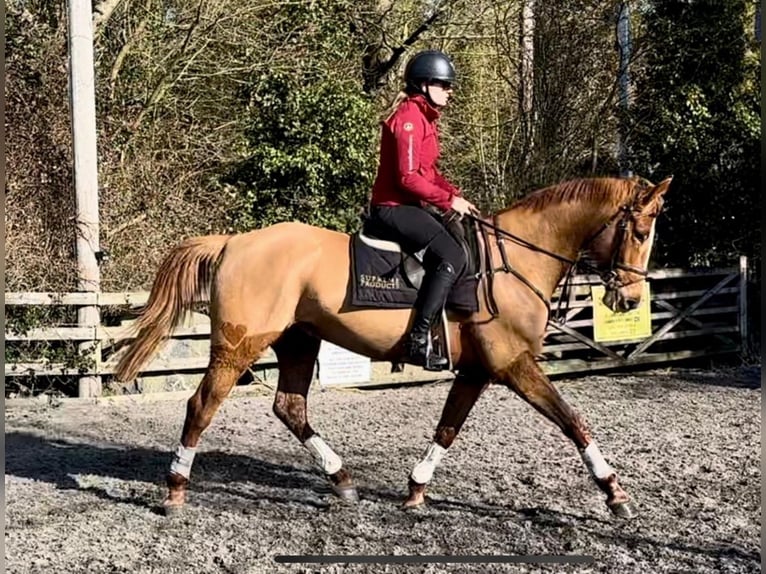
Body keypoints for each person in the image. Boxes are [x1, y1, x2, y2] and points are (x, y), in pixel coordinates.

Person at [367, 49, 478, 371]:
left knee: (459, 240)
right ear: (424, 84)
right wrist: (446, 202)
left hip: (409, 205)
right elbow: (407, 178)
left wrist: (455, 196)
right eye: (444, 84)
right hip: (392, 207)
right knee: (452, 254)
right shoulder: (409, 120)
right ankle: (417, 340)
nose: (449, 90)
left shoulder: (425, 119)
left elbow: (428, 173)